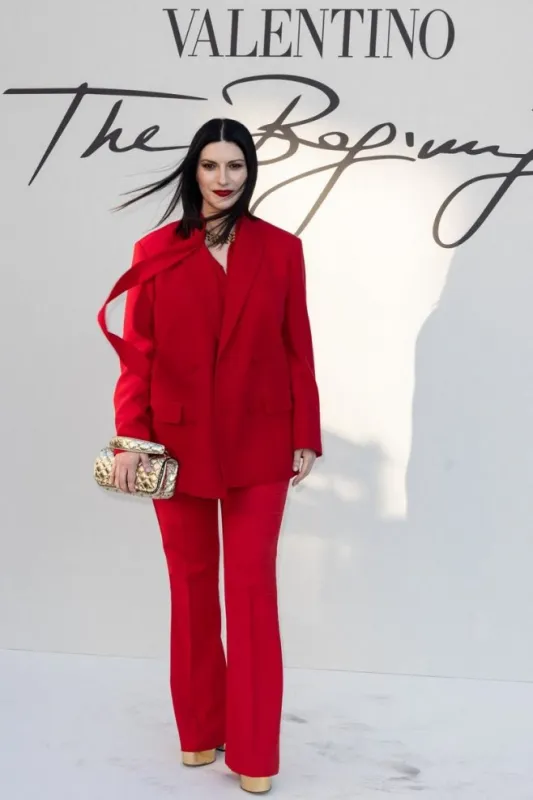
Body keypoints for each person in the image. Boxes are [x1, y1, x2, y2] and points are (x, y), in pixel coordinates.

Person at [98, 118, 322, 795]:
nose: (223, 179)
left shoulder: (281, 250)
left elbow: (296, 344)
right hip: (176, 441)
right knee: (191, 588)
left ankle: (253, 753)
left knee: (250, 592)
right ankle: (198, 732)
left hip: (259, 442)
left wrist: (304, 430)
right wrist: (130, 437)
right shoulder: (155, 249)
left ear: (250, 173)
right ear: (192, 171)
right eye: (210, 166)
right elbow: (140, 353)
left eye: (236, 166)